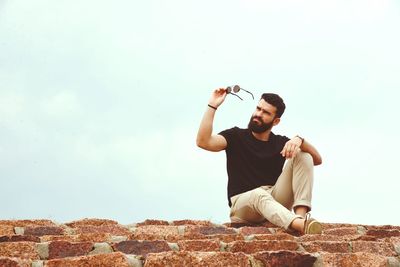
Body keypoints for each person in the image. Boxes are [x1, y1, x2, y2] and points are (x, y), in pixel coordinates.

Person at [196, 88, 323, 234]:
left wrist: (300, 140)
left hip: (273, 201)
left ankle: (301, 218)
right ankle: (299, 225)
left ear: (276, 121)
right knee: (258, 194)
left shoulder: (279, 142)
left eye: (266, 112)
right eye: (258, 108)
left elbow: (317, 160)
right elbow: (203, 142)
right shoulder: (235, 136)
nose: (258, 114)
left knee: (303, 155)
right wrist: (213, 105)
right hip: (243, 205)